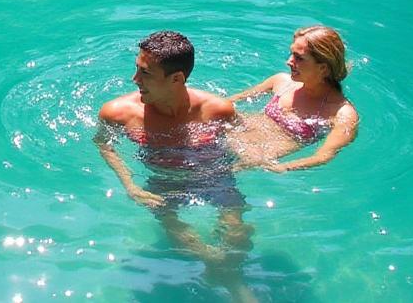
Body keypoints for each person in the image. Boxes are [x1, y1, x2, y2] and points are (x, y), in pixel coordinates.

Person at [95, 31, 254, 302]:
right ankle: (231, 283)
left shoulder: (218, 109)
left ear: (177, 78)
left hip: (214, 174)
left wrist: (247, 158)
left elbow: (245, 139)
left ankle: (229, 278)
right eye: (137, 69)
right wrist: (130, 185)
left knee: (236, 232)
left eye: (145, 73)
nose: (135, 79)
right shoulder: (118, 113)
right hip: (163, 178)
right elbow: (103, 144)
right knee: (174, 226)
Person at [227, 25, 360, 172]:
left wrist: (281, 167)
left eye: (299, 58)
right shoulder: (281, 82)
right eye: (292, 54)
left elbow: (323, 156)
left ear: (323, 68)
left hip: (244, 160)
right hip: (226, 137)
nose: (289, 61)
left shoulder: (342, 113)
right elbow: (231, 101)